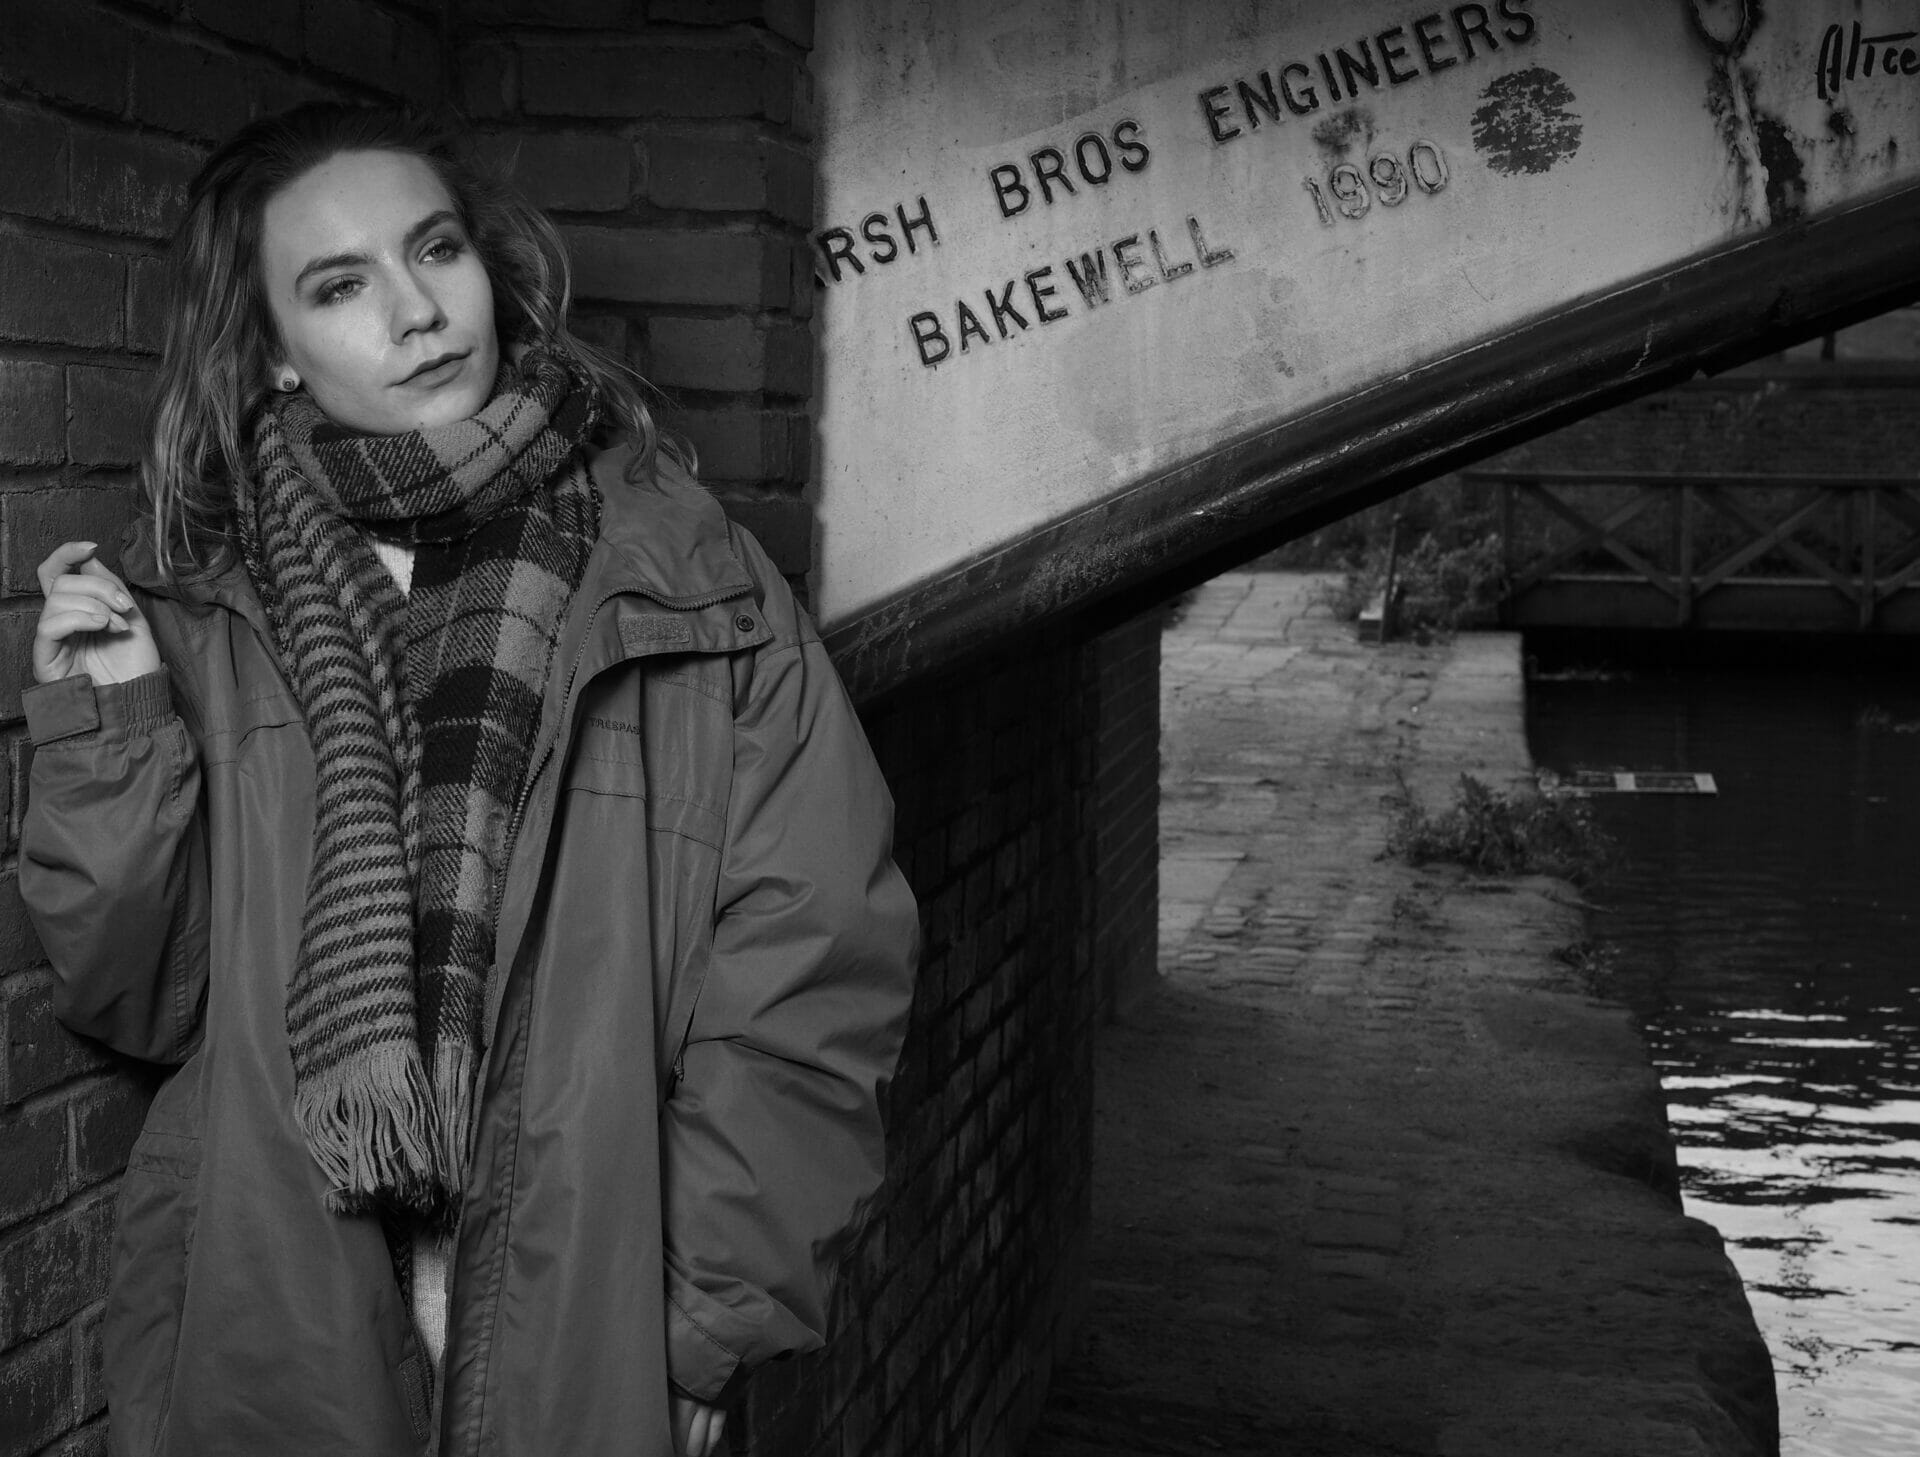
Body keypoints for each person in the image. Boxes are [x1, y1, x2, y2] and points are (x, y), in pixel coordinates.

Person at [19, 103, 918, 1457]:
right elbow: (141, 997)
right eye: (340, 285)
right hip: (282, 1328)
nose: (416, 310)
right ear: (270, 355)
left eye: (432, 251)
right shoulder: (208, 618)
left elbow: (811, 973)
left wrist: (702, 1323)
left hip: (582, 1305)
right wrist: (115, 728)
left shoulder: (688, 582)